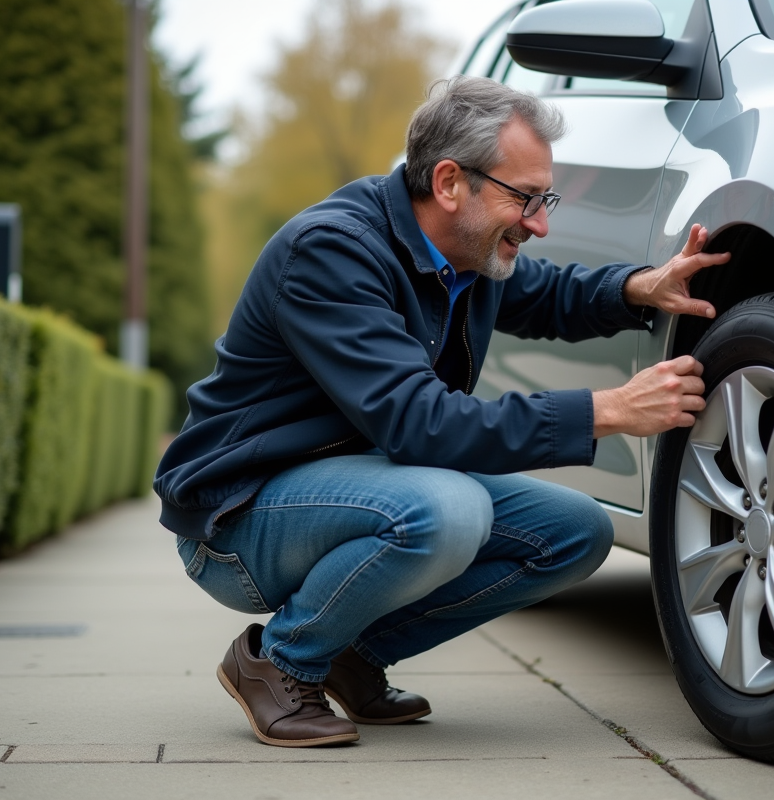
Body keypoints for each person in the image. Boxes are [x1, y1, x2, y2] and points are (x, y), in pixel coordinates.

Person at [154, 76, 730, 748]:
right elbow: (420, 423)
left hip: (353, 484)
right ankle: (278, 662)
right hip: (239, 519)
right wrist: (609, 410)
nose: (540, 223)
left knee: (574, 532)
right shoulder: (333, 252)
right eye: (525, 198)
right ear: (451, 182)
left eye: (545, 199)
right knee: (448, 511)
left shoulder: (463, 252)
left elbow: (547, 296)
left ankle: (349, 651)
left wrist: (642, 285)